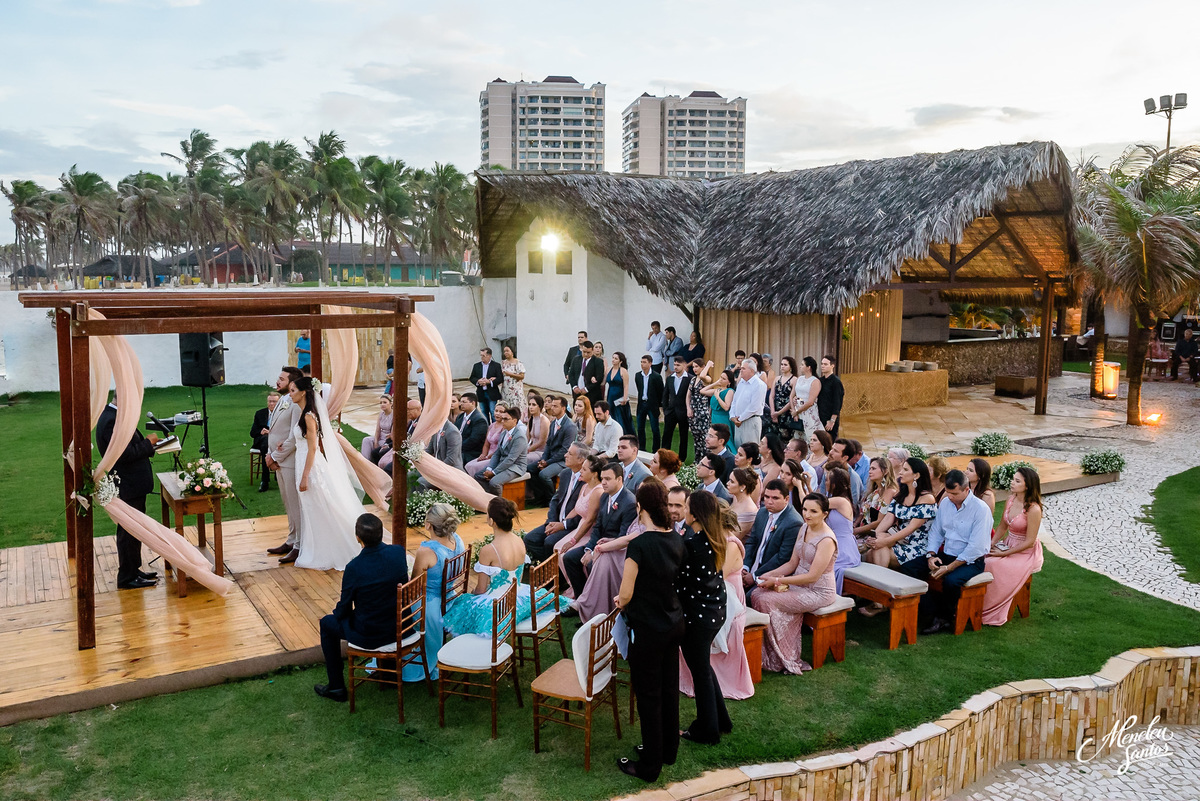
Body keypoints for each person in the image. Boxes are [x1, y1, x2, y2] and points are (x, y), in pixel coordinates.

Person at [614, 480, 687, 781]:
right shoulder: (677, 539)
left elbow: (627, 593)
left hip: (648, 629)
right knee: (669, 690)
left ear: (640, 507)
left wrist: (620, 601)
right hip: (673, 623)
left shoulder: (640, 544)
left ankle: (649, 766)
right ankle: (668, 750)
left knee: (648, 695)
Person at [314, 513, 410, 702]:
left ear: (357, 538)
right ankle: (389, 674)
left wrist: (339, 614)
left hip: (372, 634)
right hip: (402, 626)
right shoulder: (398, 552)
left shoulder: (355, 567)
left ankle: (336, 687)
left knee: (327, 623)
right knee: (380, 608)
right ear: (382, 534)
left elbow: (343, 608)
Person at [750, 494, 839, 674]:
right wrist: (764, 575)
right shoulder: (804, 527)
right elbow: (792, 563)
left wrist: (777, 580)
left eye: (813, 511)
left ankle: (787, 657)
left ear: (825, 514)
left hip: (818, 591)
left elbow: (812, 576)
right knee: (757, 594)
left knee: (768, 600)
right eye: (805, 509)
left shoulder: (827, 540)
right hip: (798, 584)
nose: (807, 514)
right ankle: (770, 653)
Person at [903, 469, 993, 634]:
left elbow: (976, 547)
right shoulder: (945, 503)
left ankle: (944, 617)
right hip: (947, 554)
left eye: (954, 493)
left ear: (967, 490)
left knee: (951, 581)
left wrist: (950, 567)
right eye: (948, 492)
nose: (950, 497)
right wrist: (931, 555)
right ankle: (930, 611)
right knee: (909, 567)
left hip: (971, 560)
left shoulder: (981, 510)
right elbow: (936, 532)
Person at [289, 376, 364, 571]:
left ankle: (335, 548)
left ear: (303, 392)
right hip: (303, 462)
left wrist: (305, 475)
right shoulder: (303, 413)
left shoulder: (308, 416)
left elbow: (313, 448)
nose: (290, 394)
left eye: (293, 390)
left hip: (311, 467)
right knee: (312, 507)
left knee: (322, 505)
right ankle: (318, 547)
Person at [674, 489, 732, 744]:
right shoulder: (713, 537)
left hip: (698, 617)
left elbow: (677, 580)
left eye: (686, 507)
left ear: (695, 513)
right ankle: (721, 720)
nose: (683, 511)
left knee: (700, 672)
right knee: (703, 668)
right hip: (714, 611)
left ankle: (707, 731)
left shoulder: (693, 546)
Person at [681, 501, 753, 701]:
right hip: (715, 595)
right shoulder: (711, 540)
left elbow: (717, 576)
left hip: (727, 598)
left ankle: (714, 683)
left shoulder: (730, 544)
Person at [443, 497, 538, 637]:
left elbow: (481, 589)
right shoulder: (519, 540)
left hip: (498, 605)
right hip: (519, 596)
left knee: (460, 606)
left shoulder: (488, 550)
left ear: (491, 521)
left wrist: (473, 593)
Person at [96, 393, 160, 589]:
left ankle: (133, 570)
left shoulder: (115, 417)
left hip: (134, 484)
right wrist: (148, 443)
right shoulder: (110, 421)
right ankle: (127, 576)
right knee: (128, 531)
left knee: (134, 530)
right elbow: (124, 455)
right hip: (128, 484)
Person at [859, 458, 937, 617]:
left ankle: (878, 599)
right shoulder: (901, 495)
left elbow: (911, 528)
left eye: (905, 470)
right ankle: (880, 599)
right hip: (896, 541)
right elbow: (887, 520)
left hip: (917, 546)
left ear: (916, 475)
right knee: (877, 548)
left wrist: (883, 541)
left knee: (877, 550)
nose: (900, 472)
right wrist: (876, 537)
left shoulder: (926, 498)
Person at [402, 503, 466, 682]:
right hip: (451, 596)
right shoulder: (457, 539)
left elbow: (414, 585)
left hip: (430, 604)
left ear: (429, 525)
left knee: (396, 599)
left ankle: (402, 649)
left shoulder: (426, 551)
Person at [562, 461, 637, 598]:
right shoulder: (604, 497)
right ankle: (581, 597)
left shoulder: (629, 503)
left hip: (615, 549)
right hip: (599, 544)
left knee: (591, 564)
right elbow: (597, 527)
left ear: (619, 479)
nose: (603, 483)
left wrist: (597, 551)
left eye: (608, 479)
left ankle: (595, 599)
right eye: (602, 479)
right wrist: (589, 549)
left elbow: (623, 536)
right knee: (570, 558)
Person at [983, 466, 1044, 625]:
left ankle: (990, 609)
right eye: (1013, 479)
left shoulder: (1034, 509)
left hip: (1025, 552)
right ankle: (977, 603)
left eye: (1017, 481)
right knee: (983, 557)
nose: (1012, 483)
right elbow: (1003, 526)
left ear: (1027, 485)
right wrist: (991, 543)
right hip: (1008, 543)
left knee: (992, 564)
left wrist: (1004, 554)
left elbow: (1030, 541)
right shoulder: (1011, 499)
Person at [525, 444, 591, 563]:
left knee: (549, 542)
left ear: (581, 460)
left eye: (570, 453)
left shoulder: (588, 481)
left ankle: (550, 573)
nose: (565, 455)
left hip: (572, 526)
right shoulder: (565, 473)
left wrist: (563, 525)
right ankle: (551, 568)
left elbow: (584, 513)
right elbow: (555, 500)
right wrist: (551, 521)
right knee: (530, 539)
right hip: (556, 521)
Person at [741, 480, 803, 600]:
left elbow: (782, 558)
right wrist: (745, 567)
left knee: (749, 597)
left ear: (786, 499)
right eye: (767, 497)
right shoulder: (762, 513)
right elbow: (752, 541)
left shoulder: (793, 523)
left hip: (773, 574)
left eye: (775, 498)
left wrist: (754, 576)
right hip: (752, 568)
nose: (769, 502)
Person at [266, 367, 304, 559]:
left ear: (291, 382)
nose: (277, 381)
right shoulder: (282, 399)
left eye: (281, 379)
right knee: (287, 503)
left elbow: (293, 438)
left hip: (289, 462)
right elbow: (272, 431)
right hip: (278, 460)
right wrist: (268, 454)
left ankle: (299, 544)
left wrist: (275, 457)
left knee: (295, 504)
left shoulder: (296, 404)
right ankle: (291, 539)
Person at [530, 395, 578, 505]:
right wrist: (543, 459)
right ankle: (540, 497)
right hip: (551, 458)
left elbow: (565, 450)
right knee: (530, 469)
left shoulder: (570, 426)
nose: (552, 408)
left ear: (563, 408)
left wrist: (547, 462)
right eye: (552, 406)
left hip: (563, 460)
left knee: (544, 474)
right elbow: (548, 444)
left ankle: (552, 500)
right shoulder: (553, 423)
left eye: (555, 406)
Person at [474, 404, 528, 493]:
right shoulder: (504, 432)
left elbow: (511, 459)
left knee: (494, 482)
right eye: (502, 419)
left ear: (514, 421)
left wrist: (494, 472)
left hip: (515, 467)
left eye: (506, 419)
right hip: (502, 463)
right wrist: (489, 468)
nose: (502, 421)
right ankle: (488, 498)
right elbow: (497, 453)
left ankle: (500, 504)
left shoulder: (519, 437)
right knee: (478, 476)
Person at [824, 466, 862, 593]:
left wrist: (801, 487)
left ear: (834, 484)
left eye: (827, 480)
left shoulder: (841, 501)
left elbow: (813, 504)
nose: (825, 483)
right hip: (833, 544)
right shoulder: (836, 500)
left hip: (844, 548)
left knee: (824, 567)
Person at [417, 407, 464, 489]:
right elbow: (429, 450)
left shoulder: (452, 432)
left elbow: (451, 459)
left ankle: (423, 501)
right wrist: (416, 457)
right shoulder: (436, 429)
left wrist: (435, 470)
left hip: (450, 470)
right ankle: (409, 501)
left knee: (421, 482)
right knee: (411, 475)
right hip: (437, 467)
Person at [855, 457, 899, 542]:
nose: (870, 471)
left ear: (885, 471)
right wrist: (855, 525)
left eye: (873, 469)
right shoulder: (873, 492)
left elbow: (880, 521)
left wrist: (856, 531)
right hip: (863, 531)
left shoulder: (889, 492)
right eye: (870, 468)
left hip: (875, 535)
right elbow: (863, 513)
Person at [729, 358, 767, 449]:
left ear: (752, 370)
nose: (741, 370)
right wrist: (733, 417)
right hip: (738, 422)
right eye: (741, 368)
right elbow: (734, 401)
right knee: (739, 449)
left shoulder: (759, 384)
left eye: (743, 368)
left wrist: (740, 419)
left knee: (750, 450)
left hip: (751, 421)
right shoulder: (741, 383)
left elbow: (754, 406)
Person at [662, 355, 692, 461]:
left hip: (683, 412)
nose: (675, 367)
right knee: (667, 435)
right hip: (670, 412)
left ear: (684, 365)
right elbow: (665, 395)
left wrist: (689, 409)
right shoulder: (670, 378)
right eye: (674, 365)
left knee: (683, 436)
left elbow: (691, 396)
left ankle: (682, 458)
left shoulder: (690, 378)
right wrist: (665, 409)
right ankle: (665, 456)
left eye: (678, 365)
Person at [634, 354, 664, 452]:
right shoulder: (638, 375)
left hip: (652, 405)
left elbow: (660, 392)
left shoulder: (656, 377)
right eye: (641, 362)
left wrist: (660, 406)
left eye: (644, 362)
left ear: (650, 363)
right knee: (640, 427)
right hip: (642, 404)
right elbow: (639, 388)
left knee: (655, 428)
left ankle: (656, 449)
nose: (642, 364)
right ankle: (642, 448)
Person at [250, 391, 280, 492]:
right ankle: (266, 479)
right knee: (266, 443)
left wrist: (271, 432)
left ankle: (266, 479)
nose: (271, 404)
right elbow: (252, 432)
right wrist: (261, 431)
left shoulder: (282, 414)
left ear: (279, 402)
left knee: (269, 445)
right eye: (269, 401)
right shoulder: (260, 413)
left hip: (276, 442)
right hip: (262, 442)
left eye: (274, 401)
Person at [787, 356, 822, 439]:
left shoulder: (815, 381)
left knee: (810, 436)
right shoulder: (799, 379)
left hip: (808, 411)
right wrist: (794, 411)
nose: (800, 366)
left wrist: (797, 411)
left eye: (802, 365)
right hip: (797, 411)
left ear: (808, 367)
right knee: (798, 437)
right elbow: (792, 395)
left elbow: (810, 402)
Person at [686, 360, 714, 458]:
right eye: (693, 367)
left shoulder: (707, 379)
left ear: (703, 367)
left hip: (703, 412)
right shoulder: (693, 379)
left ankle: (705, 460)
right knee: (696, 438)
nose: (694, 369)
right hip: (693, 412)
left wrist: (709, 365)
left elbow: (702, 376)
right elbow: (688, 395)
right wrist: (688, 408)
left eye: (697, 366)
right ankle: (696, 460)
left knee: (704, 438)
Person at [766, 357, 797, 442]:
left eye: (785, 365)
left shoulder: (794, 379)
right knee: (773, 437)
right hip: (775, 411)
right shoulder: (777, 378)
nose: (782, 366)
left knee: (786, 438)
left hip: (786, 412)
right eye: (782, 364)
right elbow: (771, 396)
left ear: (791, 367)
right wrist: (773, 412)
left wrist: (779, 413)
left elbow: (792, 398)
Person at [463, 412, 503, 476]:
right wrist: (483, 454)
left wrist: (489, 456)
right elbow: (486, 444)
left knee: (474, 467)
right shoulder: (491, 426)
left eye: (501, 411)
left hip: (495, 456)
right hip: (487, 454)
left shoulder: (504, 427)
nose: (497, 413)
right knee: (468, 465)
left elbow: (501, 447)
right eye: (496, 410)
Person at [469, 347, 503, 422]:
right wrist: (478, 381)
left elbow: (500, 378)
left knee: (493, 411)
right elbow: (472, 377)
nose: (482, 357)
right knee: (484, 412)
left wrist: (489, 382)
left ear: (489, 356)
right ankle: (486, 428)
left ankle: (495, 427)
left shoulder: (496, 365)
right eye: (481, 355)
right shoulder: (476, 366)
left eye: (483, 355)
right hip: (481, 392)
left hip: (492, 392)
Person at [359, 394, 394, 467]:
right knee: (366, 440)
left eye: (385, 402)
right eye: (380, 403)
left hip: (388, 439)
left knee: (378, 448)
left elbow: (393, 433)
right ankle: (364, 463)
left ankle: (374, 465)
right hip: (381, 436)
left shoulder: (394, 415)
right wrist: (375, 441)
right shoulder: (381, 414)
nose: (382, 404)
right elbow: (378, 430)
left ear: (391, 403)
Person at [568, 340, 605, 406]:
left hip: (592, 394)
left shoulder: (598, 362)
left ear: (592, 351)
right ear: (581, 349)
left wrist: (587, 389)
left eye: (588, 352)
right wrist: (574, 387)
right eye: (584, 352)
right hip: (577, 392)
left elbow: (599, 378)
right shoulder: (576, 359)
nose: (586, 354)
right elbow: (571, 375)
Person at [815, 355, 844, 438]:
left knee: (830, 442)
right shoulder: (820, 380)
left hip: (830, 418)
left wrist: (832, 420)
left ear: (832, 366)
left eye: (825, 364)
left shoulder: (836, 382)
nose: (823, 366)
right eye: (822, 364)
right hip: (820, 416)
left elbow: (837, 402)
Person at [455, 393, 488, 466]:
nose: (461, 404)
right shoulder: (460, 416)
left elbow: (473, 440)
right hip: (458, 447)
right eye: (460, 402)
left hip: (470, 452)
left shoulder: (479, 419)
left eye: (464, 402)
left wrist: (456, 447)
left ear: (473, 403)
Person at [605, 352, 634, 433]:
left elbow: (626, 385)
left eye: (616, 358)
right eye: (613, 358)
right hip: (610, 396)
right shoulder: (608, 369)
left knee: (620, 417)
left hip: (619, 397)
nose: (613, 360)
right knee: (611, 415)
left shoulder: (623, 371)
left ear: (620, 361)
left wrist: (625, 398)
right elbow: (604, 382)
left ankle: (623, 434)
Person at [726, 467, 759, 538]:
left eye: (732, 482)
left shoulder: (750, 511)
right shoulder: (735, 497)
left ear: (743, 487)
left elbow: (733, 536)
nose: (727, 483)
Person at [524, 393, 550, 459]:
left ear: (540, 406)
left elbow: (542, 442)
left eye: (534, 405)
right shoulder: (531, 419)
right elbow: (527, 438)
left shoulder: (544, 420)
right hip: (531, 449)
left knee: (523, 459)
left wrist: (528, 450)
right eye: (529, 404)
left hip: (541, 452)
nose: (531, 407)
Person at [500, 345, 526, 411]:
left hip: (515, 389)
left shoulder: (518, 363)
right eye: (504, 351)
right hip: (505, 389)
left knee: (516, 407)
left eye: (507, 351)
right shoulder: (503, 363)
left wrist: (510, 374)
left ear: (512, 352)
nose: (505, 353)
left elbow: (522, 376)